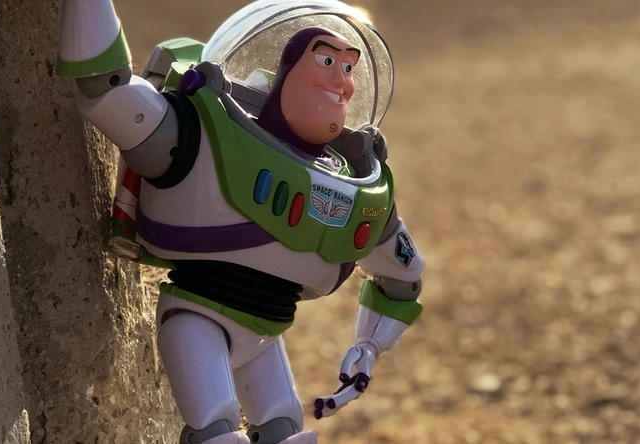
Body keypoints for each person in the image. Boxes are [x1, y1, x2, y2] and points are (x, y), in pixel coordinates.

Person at [57, 1, 424, 443]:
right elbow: (105, 89)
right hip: (196, 316)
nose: (342, 82)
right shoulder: (201, 135)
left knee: (284, 428)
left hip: (268, 329)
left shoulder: (360, 189)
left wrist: (370, 345)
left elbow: (405, 280)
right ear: (287, 72)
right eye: (327, 62)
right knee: (215, 425)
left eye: (349, 68)